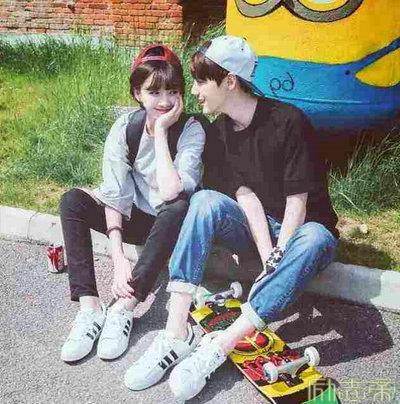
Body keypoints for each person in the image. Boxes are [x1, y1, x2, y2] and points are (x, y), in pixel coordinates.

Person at [124, 35, 339, 400]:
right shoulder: (220, 131)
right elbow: (246, 196)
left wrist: (280, 251)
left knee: (317, 237)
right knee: (205, 200)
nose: (193, 91)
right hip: (258, 229)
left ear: (229, 81)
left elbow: (297, 202)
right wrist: (267, 253)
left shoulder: (288, 122)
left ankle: (221, 344)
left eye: (200, 81)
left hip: (302, 231)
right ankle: (175, 334)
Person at [59, 44, 206, 363]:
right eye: (154, 92)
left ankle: (124, 308)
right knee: (72, 201)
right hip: (136, 218)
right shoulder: (126, 128)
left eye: (173, 91)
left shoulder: (192, 130)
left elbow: (172, 191)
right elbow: (115, 195)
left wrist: (162, 132)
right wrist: (119, 258)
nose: (165, 101)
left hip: (171, 226)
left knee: (178, 206)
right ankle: (90, 308)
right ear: (137, 93)